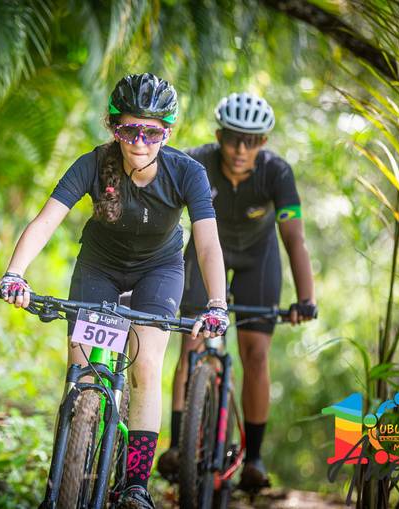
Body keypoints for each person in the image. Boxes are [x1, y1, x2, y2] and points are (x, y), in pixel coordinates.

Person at [0, 73, 229, 508]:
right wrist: (15, 273)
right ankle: (62, 480)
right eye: (129, 130)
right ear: (113, 127)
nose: (140, 142)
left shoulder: (187, 172)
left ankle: (136, 485)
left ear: (168, 133)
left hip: (159, 271)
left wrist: (217, 303)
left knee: (146, 367)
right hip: (99, 266)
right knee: (81, 371)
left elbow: (207, 244)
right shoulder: (93, 163)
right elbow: (46, 220)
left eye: (152, 132)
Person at [156, 92, 317, 492]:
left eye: (252, 140)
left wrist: (306, 298)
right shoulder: (197, 162)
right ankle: (178, 444)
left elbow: (294, 238)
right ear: (219, 136)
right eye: (233, 139)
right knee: (191, 345)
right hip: (203, 253)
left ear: (264, 142)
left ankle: (254, 460)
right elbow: (161, 214)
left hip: (257, 259)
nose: (241, 149)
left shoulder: (277, 172)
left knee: (255, 353)